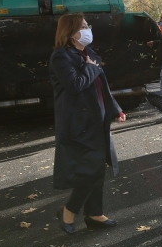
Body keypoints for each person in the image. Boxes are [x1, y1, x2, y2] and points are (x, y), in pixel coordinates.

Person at [50, 13, 125, 234]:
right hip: (78, 124)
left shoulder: (89, 54)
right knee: (91, 169)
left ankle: (94, 214)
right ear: (71, 32)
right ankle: (68, 210)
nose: (87, 29)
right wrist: (91, 68)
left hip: (97, 120)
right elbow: (75, 85)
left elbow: (101, 88)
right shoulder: (61, 57)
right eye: (83, 26)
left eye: (87, 25)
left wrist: (115, 108)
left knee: (97, 165)